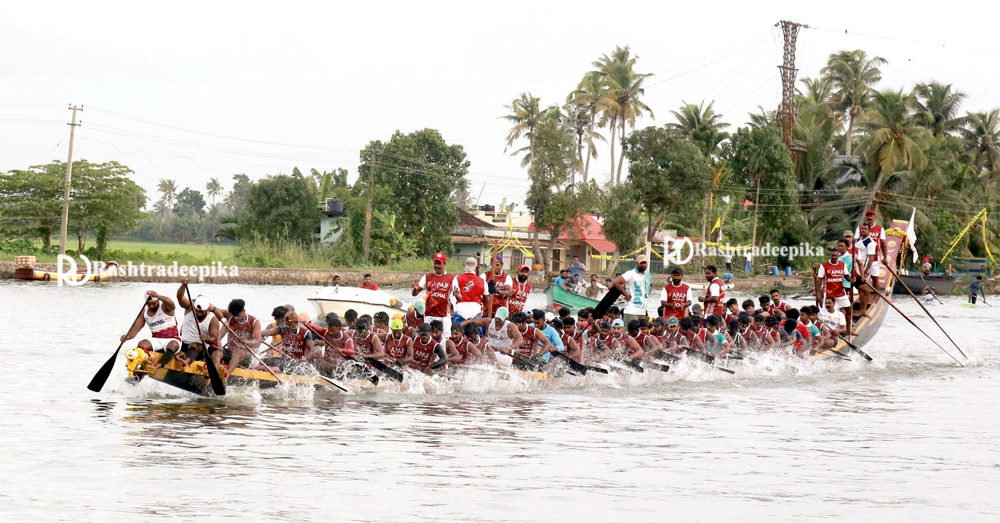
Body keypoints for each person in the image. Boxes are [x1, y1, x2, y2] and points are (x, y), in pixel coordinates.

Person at [121, 290, 181, 368]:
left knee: (173, 345)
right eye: (149, 304)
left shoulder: (165, 307)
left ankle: (157, 367)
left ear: (158, 300)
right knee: (142, 344)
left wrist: (158, 295)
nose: (151, 306)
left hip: (172, 339)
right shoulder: (144, 312)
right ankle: (139, 367)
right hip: (156, 340)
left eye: (153, 303)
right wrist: (127, 337)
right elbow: (135, 329)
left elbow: (172, 305)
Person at [175, 279, 222, 369]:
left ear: (207, 309)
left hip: (199, 349)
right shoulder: (189, 307)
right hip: (184, 345)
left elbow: (214, 339)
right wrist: (183, 286)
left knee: (194, 345)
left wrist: (206, 339)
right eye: (197, 311)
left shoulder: (213, 319)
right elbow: (180, 297)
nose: (199, 314)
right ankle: (182, 355)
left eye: (202, 312)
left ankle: (186, 362)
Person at [212, 298, 262, 377]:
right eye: (234, 315)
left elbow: (257, 342)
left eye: (237, 315)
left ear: (243, 311)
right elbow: (219, 337)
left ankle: (226, 375)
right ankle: (211, 372)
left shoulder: (254, 321)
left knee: (238, 351)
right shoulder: (229, 319)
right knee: (215, 350)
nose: (235, 318)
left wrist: (246, 342)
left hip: (248, 356)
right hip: (231, 353)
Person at [412, 252, 456, 335]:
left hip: (444, 316)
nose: (437, 266)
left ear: (444, 264)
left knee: (445, 338)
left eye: (439, 264)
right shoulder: (427, 277)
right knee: (427, 338)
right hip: (429, 315)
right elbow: (414, 294)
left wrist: (457, 294)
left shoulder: (451, 278)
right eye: (435, 263)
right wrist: (415, 289)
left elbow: (458, 296)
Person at [816, 245, 852, 336]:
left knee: (849, 310)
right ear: (830, 256)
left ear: (838, 256)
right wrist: (818, 293)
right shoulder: (824, 265)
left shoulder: (842, 264)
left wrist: (852, 279)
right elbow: (819, 279)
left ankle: (847, 330)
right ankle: (826, 332)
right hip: (829, 293)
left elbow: (847, 276)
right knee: (826, 313)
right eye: (833, 256)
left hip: (840, 293)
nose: (834, 257)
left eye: (836, 256)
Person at [613, 254, 652, 324]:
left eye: (644, 263)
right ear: (637, 263)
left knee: (641, 330)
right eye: (641, 263)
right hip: (631, 310)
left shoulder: (647, 275)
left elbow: (651, 284)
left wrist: (648, 293)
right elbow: (616, 282)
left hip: (642, 310)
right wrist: (626, 295)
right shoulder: (631, 273)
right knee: (630, 330)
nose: (643, 265)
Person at [855, 210, 888, 292]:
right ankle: (862, 294)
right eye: (868, 216)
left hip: (874, 257)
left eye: (871, 216)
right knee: (859, 277)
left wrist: (885, 257)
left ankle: (876, 295)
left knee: (875, 277)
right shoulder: (860, 228)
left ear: (874, 217)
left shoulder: (880, 229)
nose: (869, 217)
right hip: (862, 258)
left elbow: (883, 243)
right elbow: (855, 241)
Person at [453, 257, 489, 323]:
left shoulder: (457, 278)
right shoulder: (482, 281)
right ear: (476, 267)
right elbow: (486, 301)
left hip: (460, 310)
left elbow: (457, 296)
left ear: (465, 266)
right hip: (475, 312)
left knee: (456, 329)